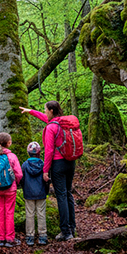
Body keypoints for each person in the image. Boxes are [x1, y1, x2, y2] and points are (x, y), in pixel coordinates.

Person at [20, 101, 76, 240]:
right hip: (71, 162)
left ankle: (65, 232)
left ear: (51, 110)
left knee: (61, 195)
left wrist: (45, 171)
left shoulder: (51, 127)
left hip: (58, 164)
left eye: (45, 109)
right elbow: (44, 118)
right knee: (68, 193)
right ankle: (72, 227)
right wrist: (30, 111)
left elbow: (49, 151)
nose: (44, 112)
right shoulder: (63, 123)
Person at [0, 132, 23, 247]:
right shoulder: (12, 156)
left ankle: (1, 238)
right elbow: (19, 173)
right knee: (9, 212)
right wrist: (16, 183)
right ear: (8, 143)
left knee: (0, 212)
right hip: (10, 188)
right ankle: (9, 238)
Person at [20, 141, 49, 246]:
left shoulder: (25, 165)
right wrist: (46, 191)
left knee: (29, 214)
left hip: (29, 193)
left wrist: (24, 189)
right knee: (41, 214)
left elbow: (22, 179)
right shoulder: (43, 165)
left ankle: (30, 236)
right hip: (41, 193)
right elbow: (46, 180)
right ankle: (42, 236)